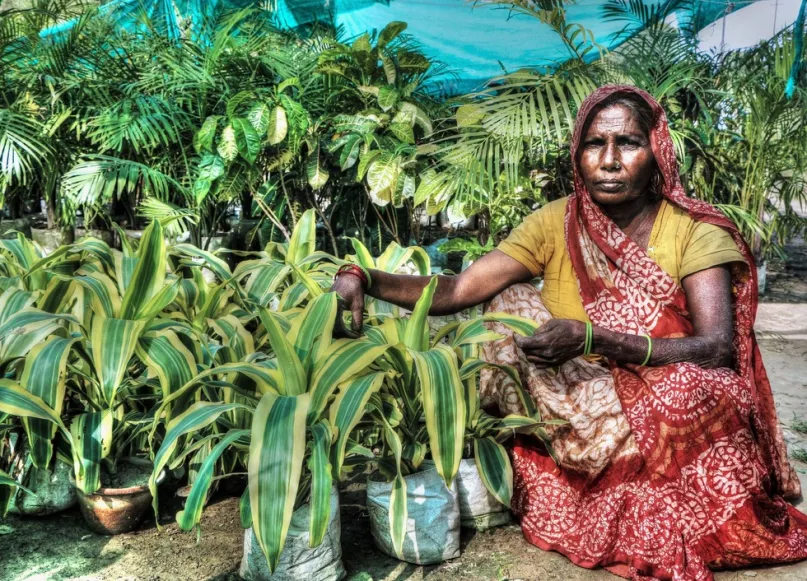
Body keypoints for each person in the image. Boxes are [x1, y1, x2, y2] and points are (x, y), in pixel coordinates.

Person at [331, 85, 807, 580]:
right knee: (505, 304)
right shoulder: (556, 222)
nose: (608, 160)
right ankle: (570, 464)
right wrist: (362, 277)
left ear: (657, 152)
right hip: (579, 392)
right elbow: (457, 289)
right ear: (577, 153)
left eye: (627, 143)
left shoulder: (693, 229)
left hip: (673, 381)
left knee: (691, 390)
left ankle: (641, 496)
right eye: (593, 144)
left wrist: (594, 338)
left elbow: (716, 348)